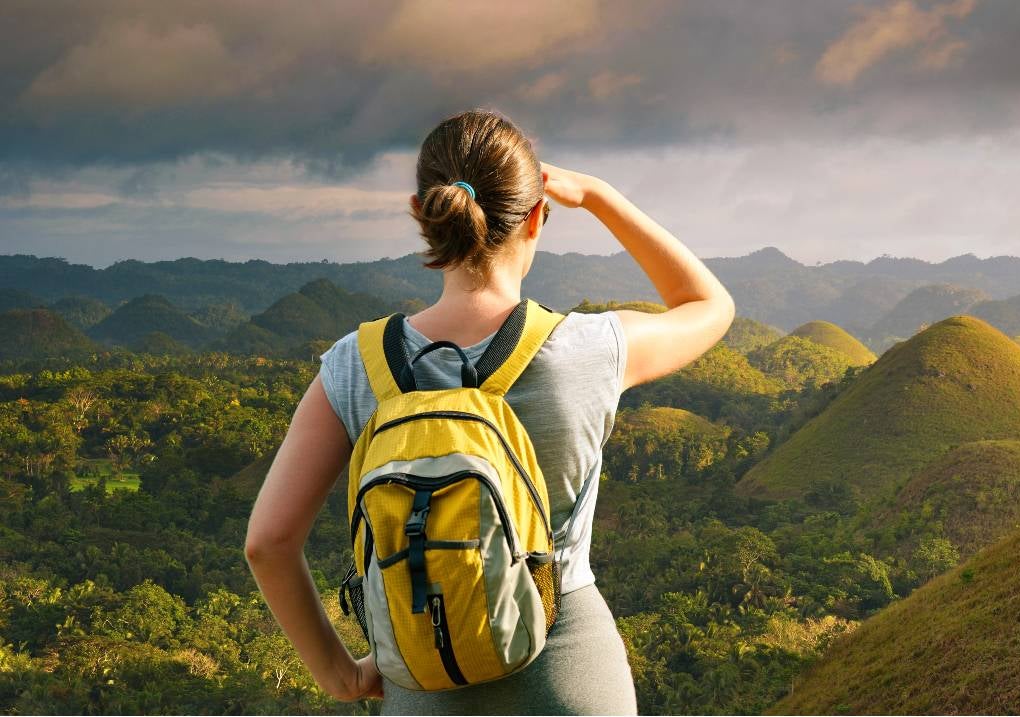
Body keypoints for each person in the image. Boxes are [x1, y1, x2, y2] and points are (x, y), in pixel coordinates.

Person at [244, 108, 733, 714]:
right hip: (569, 670)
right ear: (534, 218)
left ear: (421, 212)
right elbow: (708, 304)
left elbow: (268, 543)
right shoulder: (588, 350)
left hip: (424, 674)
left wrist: (341, 677)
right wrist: (600, 197)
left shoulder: (353, 365)